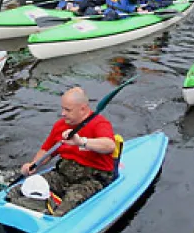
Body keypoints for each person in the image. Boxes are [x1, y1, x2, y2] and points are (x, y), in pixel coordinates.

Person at [8, 87, 118, 216]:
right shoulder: (60, 125)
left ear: (83, 109)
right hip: (63, 175)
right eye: (63, 108)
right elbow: (47, 150)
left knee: (66, 205)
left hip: (92, 180)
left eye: (68, 110)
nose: (63, 113)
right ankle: (19, 209)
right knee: (19, 190)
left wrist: (81, 142)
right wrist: (34, 164)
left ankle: (52, 215)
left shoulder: (100, 124)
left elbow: (109, 145)